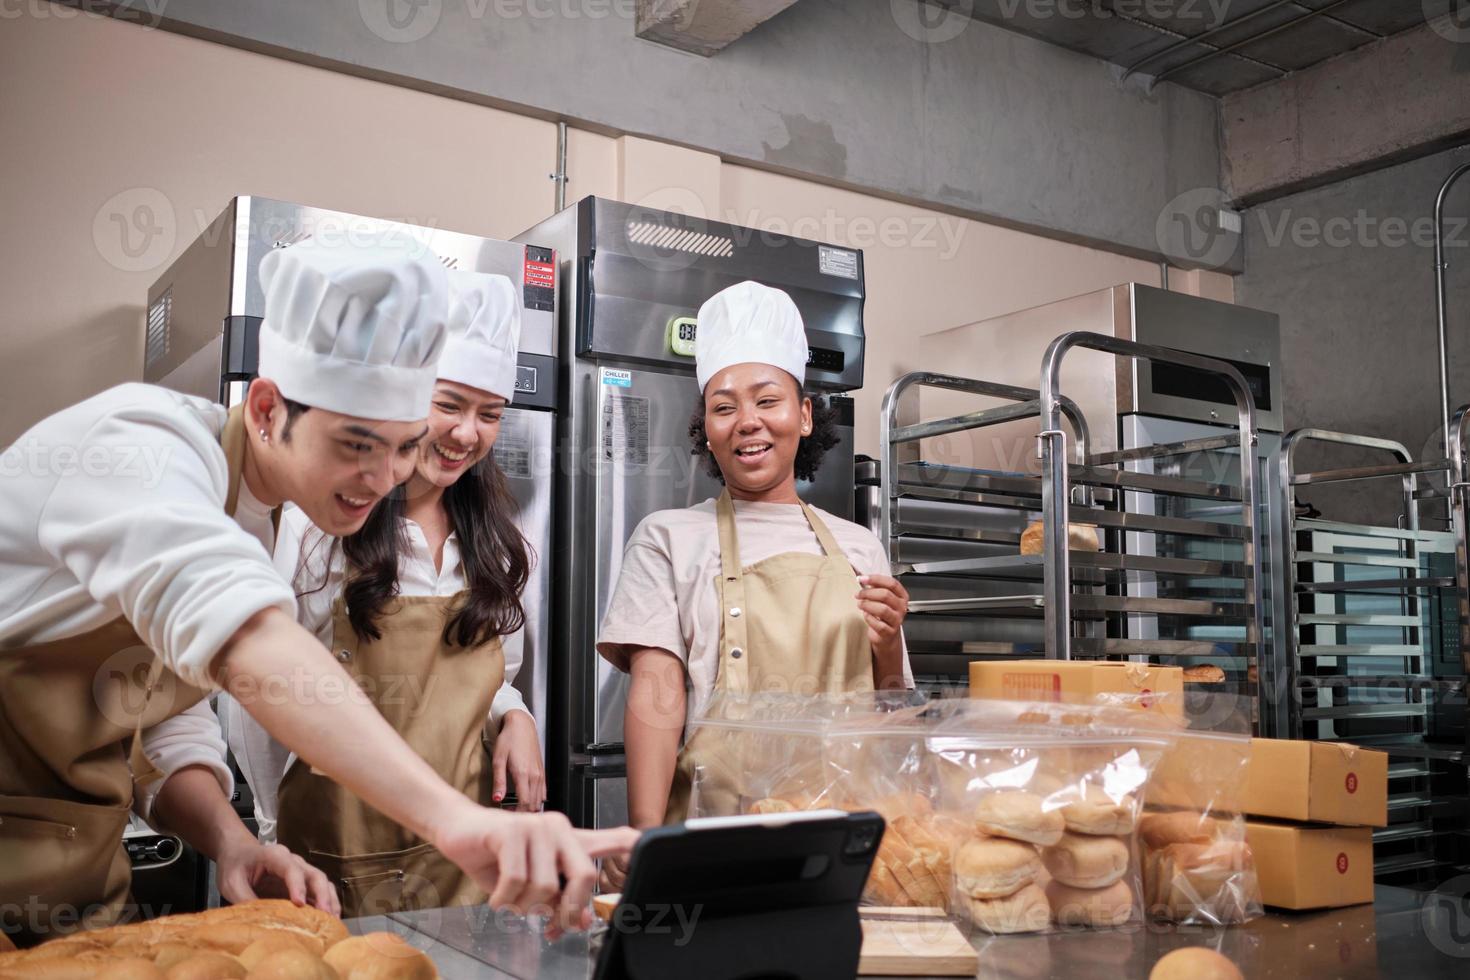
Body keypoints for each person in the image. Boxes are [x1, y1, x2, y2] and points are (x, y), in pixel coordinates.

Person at [0, 238, 632, 947]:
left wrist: (234, 843)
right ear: (268, 409)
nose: (386, 477)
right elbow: (250, 644)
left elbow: (164, 720)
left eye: (402, 446)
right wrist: (459, 822)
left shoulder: (255, 515)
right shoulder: (141, 447)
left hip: (77, 896)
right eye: (357, 445)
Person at [229, 271, 547, 916]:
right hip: (330, 862)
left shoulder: (496, 542)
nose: (467, 435)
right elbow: (252, 696)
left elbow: (490, 676)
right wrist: (271, 824)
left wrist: (516, 716)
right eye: (449, 405)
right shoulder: (312, 526)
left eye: (489, 415)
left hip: (463, 860)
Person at [594, 280, 912, 887]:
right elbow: (659, 692)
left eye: (768, 400)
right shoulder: (667, 537)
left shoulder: (857, 546)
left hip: (842, 844)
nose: (748, 422)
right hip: (714, 840)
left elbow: (888, 708)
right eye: (724, 406)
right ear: (706, 428)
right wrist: (644, 833)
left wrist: (890, 642)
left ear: (804, 414)